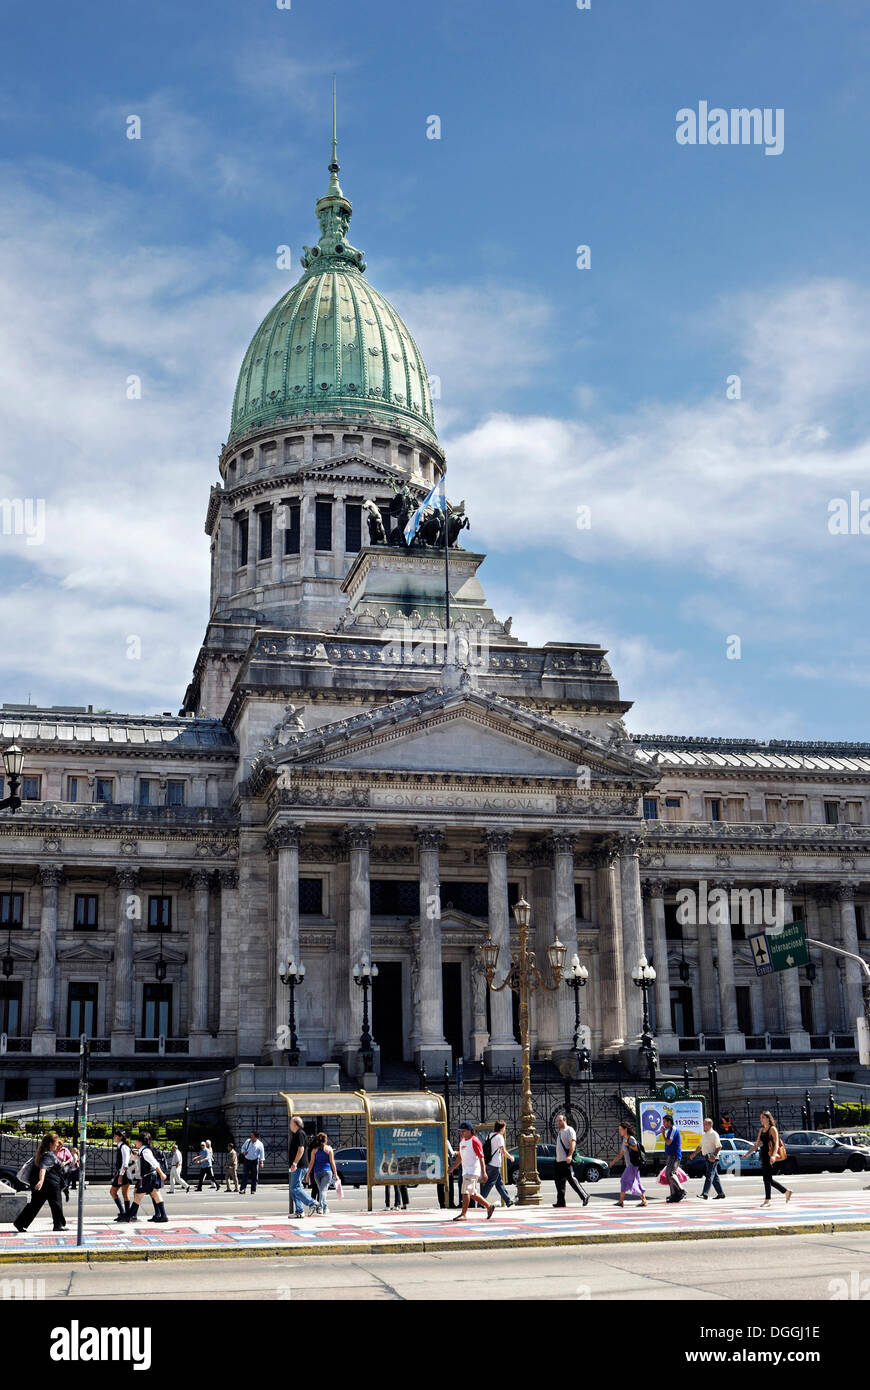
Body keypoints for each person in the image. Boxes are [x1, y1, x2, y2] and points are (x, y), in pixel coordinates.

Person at [12, 1132, 68, 1233]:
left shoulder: (42, 1153)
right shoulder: (48, 1156)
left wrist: (40, 1182)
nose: (57, 1145)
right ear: (50, 1144)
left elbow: (43, 1166)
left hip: (40, 1185)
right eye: (55, 1143)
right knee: (56, 1204)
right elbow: (43, 1168)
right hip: (50, 1185)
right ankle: (58, 1225)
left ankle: (20, 1223)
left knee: (34, 1205)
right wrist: (41, 1181)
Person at [447, 1122, 494, 1221]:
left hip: (472, 1170)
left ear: (469, 1131)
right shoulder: (462, 1142)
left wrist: (483, 1172)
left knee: (465, 1191)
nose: (461, 1133)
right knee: (472, 1193)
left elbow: (481, 1157)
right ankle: (489, 1206)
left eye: (463, 1131)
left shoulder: (475, 1141)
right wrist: (452, 1168)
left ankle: (463, 1214)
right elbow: (460, 1158)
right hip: (466, 1171)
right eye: (460, 1131)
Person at [745, 1110, 792, 1208]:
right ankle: (785, 1192)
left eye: (763, 1117)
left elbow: (777, 1144)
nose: (761, 1120)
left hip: (770, 1155)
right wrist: (748, 1153)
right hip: (763, 1155)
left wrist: (774, 1155)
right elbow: (757, 1144)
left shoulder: (772, 1129)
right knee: (767, 1179)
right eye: (760, 1118)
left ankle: (768, 1200)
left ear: (768, 1118)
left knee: (767, 1179)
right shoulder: (761, 1130)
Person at [122, 1132, 168, 1223]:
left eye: (137, 1141)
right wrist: (134, 1157)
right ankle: (163, 1216)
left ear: (141, 1142)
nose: (135, 1142)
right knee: (155, 1194)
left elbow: (154, 1163)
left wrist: (162, 1174)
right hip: (150, 1176)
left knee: (138, 1195)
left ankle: (132, 1216)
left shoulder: (146, 1151)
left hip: (149, 1177)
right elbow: (141, 1161)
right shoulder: (143, 1150)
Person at [553, 1113, 589, 1208]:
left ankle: (585, 1196)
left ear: (565, 1121)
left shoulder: (569, 1130)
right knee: (559, 1182)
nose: (558, 1122)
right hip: (559, 1161)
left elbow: (572, 1143)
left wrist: (569, 1156)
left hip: (566, 1161)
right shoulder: (560, 1132)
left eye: (560, 1120)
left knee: (572, 1180)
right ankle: (561, 1202)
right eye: (557, 1121)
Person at [609, 1121, 647, 1208]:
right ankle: (643, 1200)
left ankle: (621, 1201)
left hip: (633, 1165)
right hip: (630, 1165)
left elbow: (637, 1149)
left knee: (623, 1180)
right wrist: (613, 1162)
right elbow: (621, 1153)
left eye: (621, 1129)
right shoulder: (625, 1140)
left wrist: (629, 1145)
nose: (620, 1131)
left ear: (625, 1129)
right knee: (635, 1182)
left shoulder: (631, 1139)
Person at [289, 1116, 318, 1218]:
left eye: (291, 1123)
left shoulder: (300, 1133)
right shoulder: (296, 1134)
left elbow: (301, 1149)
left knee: (295, 1188)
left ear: (295, 1124)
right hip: (298, 1165)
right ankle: (299, 1211)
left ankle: (312, 1202)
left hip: (299, 1165)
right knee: (294, 1189)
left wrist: (294, 1163)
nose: (289, 1125)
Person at [480, 1121, 513, 1207]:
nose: (505, 1130)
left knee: (499, 1183)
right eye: (504, 1128)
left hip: (489, 1162)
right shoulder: (499, 1137)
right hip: (495, 1163)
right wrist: (511, 1157)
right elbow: (503, 1151)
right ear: (502, 1128)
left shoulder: (489, 1135)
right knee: (490, 1183)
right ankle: (481, 1201)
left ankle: (507, 1200)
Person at [691, 1118, 726, 1200]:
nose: (703, 1125)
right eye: (703, 1124)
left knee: (709, 1175)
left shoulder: (714, 1134)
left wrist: (714, 1155)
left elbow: (719, 1146)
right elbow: (700, 1147)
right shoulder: (705, 1135)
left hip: (712, 1158)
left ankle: (705, 1194)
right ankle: (721, 1193)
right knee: (714, 1177)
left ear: (710, 1125)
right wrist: (694, 1154)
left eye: (705, 1124)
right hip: (707, 1157)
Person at [306, 1131, 338, 1213]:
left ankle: (324, 1207)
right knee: (323, 1190)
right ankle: (321, 1207)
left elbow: (311, 1163)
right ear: (325, 1140)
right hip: (327, 1172)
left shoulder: (314, 1150)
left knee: (321, 1190)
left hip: (317, 1172)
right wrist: (336, 1174)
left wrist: (308, 1173)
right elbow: (332, 1162)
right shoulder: (329, 1149)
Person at [110, 1129, 134, 1222]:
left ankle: (126, 1215)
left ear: (120, 1137)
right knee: (114, 1192)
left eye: (115, 1136)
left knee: (124, 1193)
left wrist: (120, 1176)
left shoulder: (124, 1147)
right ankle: (124, 1213)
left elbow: (125, 1163)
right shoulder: (121, 1147)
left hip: (124, 1174)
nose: (114, 1137)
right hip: (121, 1173)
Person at [661, 1112, 685, 1203]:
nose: (663, 1124)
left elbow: (668, 1142)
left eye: (664, 1122)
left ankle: (681, 1190)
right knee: (669, 1174)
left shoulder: (673, 1129)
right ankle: (674, 1194)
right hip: (671, 1155)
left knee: (670, 1173)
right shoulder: (670, 1130)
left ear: (669, 1122)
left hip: (674, 1155)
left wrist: (663, 1133)